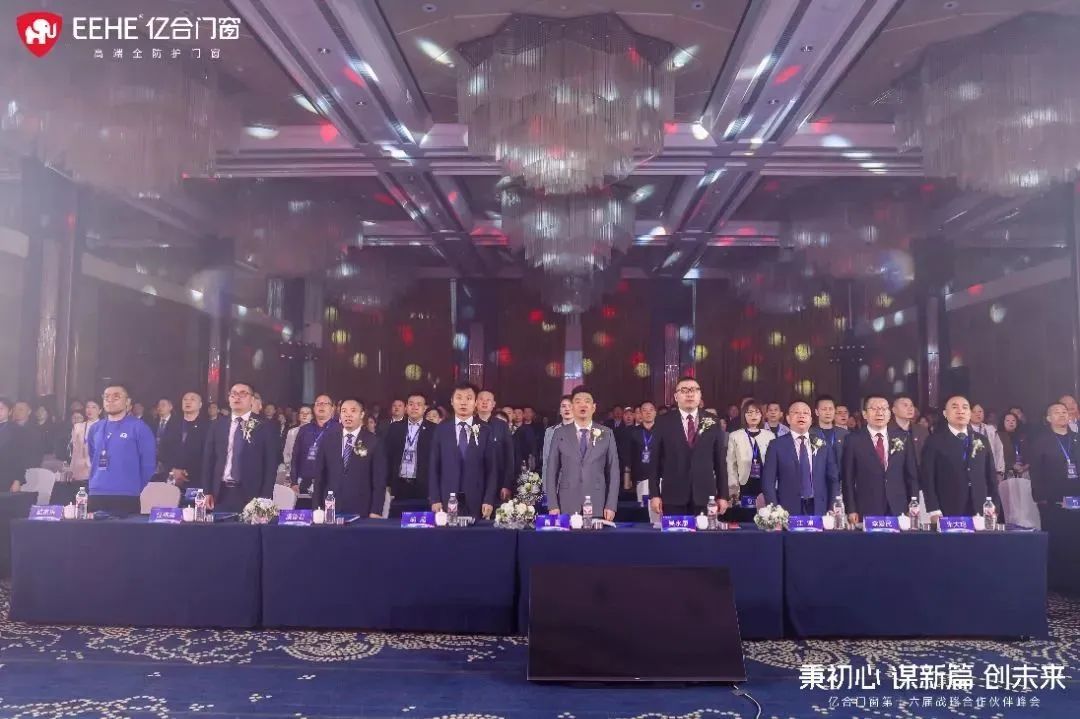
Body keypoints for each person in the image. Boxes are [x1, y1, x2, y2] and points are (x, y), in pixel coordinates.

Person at [650, 376, 730, 517]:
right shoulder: (663, 421)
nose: (690, 394)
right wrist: (654, 494)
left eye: (694, 390)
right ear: (676, 396)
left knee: (704, 532)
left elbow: (720, 461)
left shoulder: (712, 421)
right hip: (673, 496)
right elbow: (654, 461)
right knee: (675, 532)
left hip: (705, 496)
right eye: (684, 390)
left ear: (700, 395)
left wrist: (723, 495)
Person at [920, 395, 1002, 521]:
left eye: (965, 407)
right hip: (948, 506)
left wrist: (994, 505)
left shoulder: (981, 440)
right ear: (945, 414)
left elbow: (990, 475)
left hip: (979, 506)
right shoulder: (934, 441)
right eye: (955, 407)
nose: (960, 411)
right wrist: (933, 509)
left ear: (969, 413)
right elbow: (928, 478)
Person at [841, 394, 919, 523]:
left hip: (899, 506)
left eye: (884, 408)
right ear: (864, 414)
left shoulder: (903, 437)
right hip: (867, 506)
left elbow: (912, 475)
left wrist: (914, 505)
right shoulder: (853, 440)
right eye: (874, 409)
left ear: (889, 413)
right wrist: (851, 509)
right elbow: (848, 479)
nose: (880, 413)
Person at [544, 386, 619, 520]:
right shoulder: (560, 433)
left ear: (594, 407)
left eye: (587, 401)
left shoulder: (606, 433)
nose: (583, 405)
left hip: (597, 502)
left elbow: (613, 471)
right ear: (572, 407)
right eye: (578, 401)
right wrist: (552, 504)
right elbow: (551, 471)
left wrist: (611, 505)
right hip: (566, 503)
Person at [202, 382, 278, 512]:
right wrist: (207, 491)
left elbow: (270, 465)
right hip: (220, 492)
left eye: (243, 394)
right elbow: (209, 459)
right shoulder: (217, 425)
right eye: (233, 394)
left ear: (252, 400)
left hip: (252, 494)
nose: (237, 397)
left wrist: (265, 497)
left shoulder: (264, 427)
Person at [429, 382, 498, 519]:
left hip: (476, 498)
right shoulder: (441, 429)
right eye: (459, 398)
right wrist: (435, 498)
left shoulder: (485, 430)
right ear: (452, 401)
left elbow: (492, 469)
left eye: (469, 398)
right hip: (447, 497)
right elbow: (434, 466)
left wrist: (489, 499)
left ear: (475, 402)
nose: (463, 402)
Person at [86, 384, 156, 514]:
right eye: (106, 397)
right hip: (97, 492)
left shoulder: (139, 427)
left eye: (116, 397)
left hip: (126, 494)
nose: (110, 400)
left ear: (128, 401)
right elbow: (92, 456)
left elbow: (148, 464)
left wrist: (134, 486)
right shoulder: (95, 428)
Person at [762, 400, 840, 516]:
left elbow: (833, 479)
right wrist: (774, 511)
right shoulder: (776, 445)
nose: (801, 415)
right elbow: (768, 482)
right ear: (788, 419)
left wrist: (832, 507)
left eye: (805, 413)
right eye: (796, 412)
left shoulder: (822, 445)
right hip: (787, 510)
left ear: (811, 420)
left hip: (819, 508)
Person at [314, 397, 386, 516]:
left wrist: (376, 511)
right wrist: (317, 507)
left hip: (362, 509)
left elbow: (379, 481)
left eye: (353, 411)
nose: (348, 415)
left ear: (362, 414)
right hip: (331, 508)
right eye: (344, 411)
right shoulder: (328, 440)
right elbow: (319, 477)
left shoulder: (373, 442)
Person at [384, 393, 436, 506]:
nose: (414, 407)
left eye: (418, 404)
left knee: (421, 515)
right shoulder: (395, 427)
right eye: (411, 404)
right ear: (406, 407)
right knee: (397, 515)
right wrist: (387, 483)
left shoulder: (433, 429)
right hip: (399, 483)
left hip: (423, 484)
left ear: (425, 408)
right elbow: (387, 456)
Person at [726, 400, 775, 514]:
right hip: (743, 483)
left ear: (761, 415)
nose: (753, 416)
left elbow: (774, 464)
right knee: (745, 514)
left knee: (764, 514)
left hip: (764, 483)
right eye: (749, 412)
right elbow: (731, 464)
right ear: (744, 415)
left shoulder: (770, 436)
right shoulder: (735, 436)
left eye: (757, 412)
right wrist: (733, 488)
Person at [1029, 402, 1080, 509]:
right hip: (1053, 499)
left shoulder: (1077, 438)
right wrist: (1041, 498)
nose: (1062, 415)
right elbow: (1035, 471)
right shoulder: (1040, 442)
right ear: (1049, 418)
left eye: (1064, 412)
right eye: (1057, 412)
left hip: (1076, 493)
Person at [290, 395, 338, 496]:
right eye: (318, 403)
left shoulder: (339, 429)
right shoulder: (304, 430)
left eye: (325, 403)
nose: (321, 406)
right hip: (304, 483)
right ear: (314, 408)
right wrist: (294, 482)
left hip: (330, 484)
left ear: (332, 408)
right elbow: (295, 457)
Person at [158, 391, 207, 489]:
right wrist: (172, 469)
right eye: (185, 399)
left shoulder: (207, 426)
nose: (188, 402)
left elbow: (207, 455)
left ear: (200, 404)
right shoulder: (172, 424)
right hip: (171, 476)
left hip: (197, 479)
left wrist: (186, 472)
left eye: (192, 399)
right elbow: (163, 449)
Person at [476, 389, 515, 502]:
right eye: (481, 399)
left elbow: (509, 457)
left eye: (488, 400)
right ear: (476, 403)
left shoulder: (501, 425)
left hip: (498, 481)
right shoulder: (468, 424)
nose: (484, 402)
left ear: (493, 404)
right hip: (474, 482)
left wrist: (506, 484)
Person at [628, 400, 660, 504]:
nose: (648, 413)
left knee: (658, 508)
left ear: (655, 412)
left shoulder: (663, 431)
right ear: (640, 414)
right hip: (640, 476)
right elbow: (630, 456)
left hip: (659, 477)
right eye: (644, 410)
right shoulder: (633, 432)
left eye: (651, 410)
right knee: (643, 508)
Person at [542, 395, 574, 489]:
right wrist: (546, 487)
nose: (567, 409)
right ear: (560, 411)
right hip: (556, 483)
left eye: (570, 406)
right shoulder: (550, 431)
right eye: (563, 406)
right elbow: (546, 461)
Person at [0, 398, 31, 492]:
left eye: (1, 408)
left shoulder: (17, 430)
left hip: (6, 477)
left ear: (10, 411)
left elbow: (20, 457)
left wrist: (17, 481)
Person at [890, 393, 929, 464]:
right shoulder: (886, 431)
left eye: (911, 405)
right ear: (894, 410)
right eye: (905, 405)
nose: (910, 409)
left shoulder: (922, 431)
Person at [811, 395, 849, 466]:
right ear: (816, 412)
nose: (828, 412)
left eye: (831, 409)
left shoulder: (845, 434)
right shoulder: (809, 434)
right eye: (824, 409)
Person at [70, 400, 102, 482]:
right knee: (80, 489)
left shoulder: (105, 427)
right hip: (80, 470)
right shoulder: (78, 427)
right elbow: (75, 452)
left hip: (97, 470)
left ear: (100, 411)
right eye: (88, 407)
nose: (90, 410)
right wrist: (72, 470)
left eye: (94, 407)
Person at [970, 403, 1005, 479]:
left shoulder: (990, 430)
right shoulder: (964, 429)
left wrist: (999, 471)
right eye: (974, 411)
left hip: (989, 468)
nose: (978, 414)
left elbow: (999, 450)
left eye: (980, 411)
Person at [283, 405, 313, 476]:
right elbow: (287, 452)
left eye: (307, 413)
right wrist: (288, 468)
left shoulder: (317, 432)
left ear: (312, 416)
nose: (304, 415)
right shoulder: (292, 432)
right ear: (298, 416)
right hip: (293, 469)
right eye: (302, 413)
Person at [999, 411, 1028, 478]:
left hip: (1023, 472)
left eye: (1013, 420)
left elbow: (1030, 454)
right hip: (1005, 473)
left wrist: (1025, 467)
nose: (1011, 422)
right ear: (1003, 422)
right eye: (1008, 420)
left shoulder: (1022, 436)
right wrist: (1012, 465)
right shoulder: (998, 436)